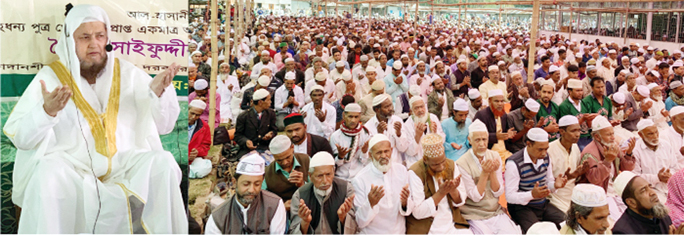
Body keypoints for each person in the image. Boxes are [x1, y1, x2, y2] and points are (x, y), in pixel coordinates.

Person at [3, 4, 186, 232]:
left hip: (127, 167)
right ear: (71, 40)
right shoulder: (50, 78)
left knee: (164, 163)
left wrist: (158, 94)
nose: (94, 44)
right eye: (85, 37)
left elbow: (165, 126)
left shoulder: (129, 74)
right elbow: (22, 139)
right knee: (46, 173)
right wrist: (46, 112)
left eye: (100, 36)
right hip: (73, 174)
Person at [454, 119, 521, 234]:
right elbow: (475, 197)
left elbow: (498, 193)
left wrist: (492, 173)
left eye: (484, 139)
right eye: (477, 140)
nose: (482, 144)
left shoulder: (494, 156)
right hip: (474, 213)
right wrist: (485, 174)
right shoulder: (462, 163)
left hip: (494, 211)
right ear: (469, 140)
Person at [505, 128, 569, 233]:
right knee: (538, 232)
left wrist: (555, 185)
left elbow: (548, 183)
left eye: (546, 149)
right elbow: (510, 196)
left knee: (567, 224)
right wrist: (532, 195)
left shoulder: (546, 157)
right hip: (522, 208)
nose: (544, 153)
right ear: (528, 144)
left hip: (542, 204)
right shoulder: (514, 163)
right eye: (540, 149)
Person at [406, 134, 472, 234]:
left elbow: (461, 201)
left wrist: (453, 190)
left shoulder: (451, 165)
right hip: (428, 227)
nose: (441, 167)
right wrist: (441, 193)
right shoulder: (415, 173)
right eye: (436, 164)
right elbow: (418, 212)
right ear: (425, 160)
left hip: (451, 223)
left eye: (443, 161)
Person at [205, 153, 287, 234]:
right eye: (246, 184)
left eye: (257, 184)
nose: (251, 190)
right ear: (234, 182)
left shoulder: (275, 205)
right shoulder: (218, 217)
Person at [577, 115, 636, 222]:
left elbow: (627, 168)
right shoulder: (589, 152)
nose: (613, 137)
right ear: (597, 137)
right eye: (608, 134)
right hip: (600, 194)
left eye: (613, 133)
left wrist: (628, 154)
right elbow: (594, 179)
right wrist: (607, 161)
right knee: (617, 221)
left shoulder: (613, 146)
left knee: (635, 214)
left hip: (616, 190)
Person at [351, 134, 413, 234]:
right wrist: (370, 204)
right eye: (379, 153)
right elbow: (359, 222)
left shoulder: (401, 170)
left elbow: (408, 208)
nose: (384, 156)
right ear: (370, 155)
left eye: (386, 151)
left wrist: (405, 203)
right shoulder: (360, 180)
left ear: (391, 151)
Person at [290, 152, 357, 234]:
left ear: (333, 173)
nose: (325, 181)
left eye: (328, 174)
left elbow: (353, 230)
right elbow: (293, 232)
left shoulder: (346, 189)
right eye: (319, 176)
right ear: (310, 176)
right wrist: (305, 222)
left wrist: (343, 218)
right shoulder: (300, 195)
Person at [631, 119, 680, 203]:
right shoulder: (636, 151)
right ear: (640, 135)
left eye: (656, 132)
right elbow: (635, 177)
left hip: (670, 185)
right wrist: (657, 178)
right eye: (650, 134)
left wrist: (668, 175)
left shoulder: (666, 145)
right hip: (651, 190)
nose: (655, 136)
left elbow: (675, 167)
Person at [547, 115, 588, 213]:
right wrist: (567, 178)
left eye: (578, 130)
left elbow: (575, 177)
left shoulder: (575, 148)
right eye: (573, 131)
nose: (578, 134)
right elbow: (545, 182)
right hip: (555, 196)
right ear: (562, 132)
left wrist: (580, 173)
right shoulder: (549, 150)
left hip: (573, 193)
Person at [262, 135, 310, 212]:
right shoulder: (268, 172)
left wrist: (302, 184)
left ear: (292, 148)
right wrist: (281, 207)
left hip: (308, 207)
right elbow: (262, 199)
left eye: (288, 157)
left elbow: (317, 189)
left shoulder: (306, 160)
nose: (285, 163)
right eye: (279, 160)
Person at [329, 103, 372, 181]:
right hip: (340, 178)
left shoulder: (365, 134)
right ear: (344, 116)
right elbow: (335, 164)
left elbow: (365, 161)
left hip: (359, 177)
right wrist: (340, 156)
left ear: (360, 116)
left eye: (356, 117)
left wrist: (364, 152)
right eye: (350, 116)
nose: (353, 120)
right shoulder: (335, 136)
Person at [365, 94, 410, 166]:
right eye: (386, 107)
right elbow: (368, 155)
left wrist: (399, 134)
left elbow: (403, 148)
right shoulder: (368, 127)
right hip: (379, 167)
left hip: (396, 164)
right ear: (377, 110)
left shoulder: (397, 120)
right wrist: (379, 135)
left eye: (390, 105)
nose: (390, 108)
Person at [401, 97, 445, 167]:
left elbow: (442, 141)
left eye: (422, 106)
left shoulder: (433, 118)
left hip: (434, 161)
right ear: (411, 111)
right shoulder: (407, 125)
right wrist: (417, 136)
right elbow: (410, 152)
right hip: (416, 163)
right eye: (416, 108)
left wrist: (435, 133)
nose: (420, 110)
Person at [474, 89, 516, 163]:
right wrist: (495, 136)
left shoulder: (503, 115)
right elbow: (476, 137)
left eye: (502, 101)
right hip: (487, 152)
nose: (500, 104)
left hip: (504, 150)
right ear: (490, 101)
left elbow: (503, 134)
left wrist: (507, 134)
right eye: (496, 101)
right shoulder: (481, 115)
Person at [234, 89, 278, 157]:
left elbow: (274, 130)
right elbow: (238, 135)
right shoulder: (243, 116)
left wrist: (271, 134)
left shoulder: (271, 114)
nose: (270, 102)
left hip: (265, 147)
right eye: (268, 100)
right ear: (260, 102)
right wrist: (246, 141)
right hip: (248, 150)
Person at [189, 100, 212, 177]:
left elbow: (206, 146)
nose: (193, 117)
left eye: (197, 115)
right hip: (177, 157)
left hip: (193, 159)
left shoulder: (204, 126)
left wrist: (197, 152)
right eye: (192, 113)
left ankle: (182, 172)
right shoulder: (176, 122)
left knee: (205, 167)